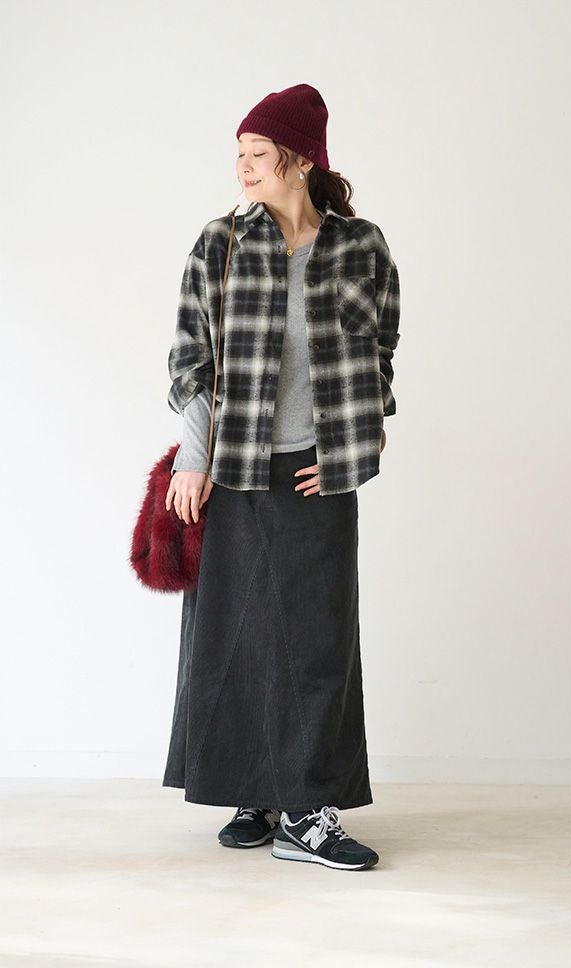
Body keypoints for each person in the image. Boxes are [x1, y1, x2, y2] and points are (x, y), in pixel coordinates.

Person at [160, 83, 401, 872]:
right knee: (235, 637)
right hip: (233, 469)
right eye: (239, 155)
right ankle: (254, 796)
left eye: (257, 154)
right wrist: (193, 457)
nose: (243, 169)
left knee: (316, 643)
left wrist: (351, 450)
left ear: (300, 160)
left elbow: (381, 352)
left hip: (316, 474)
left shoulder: (361, 247)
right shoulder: (221, 243)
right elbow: (192, 359)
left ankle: (308, 810)